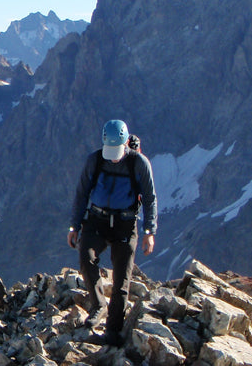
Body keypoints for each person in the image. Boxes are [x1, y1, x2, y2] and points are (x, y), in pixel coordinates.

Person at [67, 119, 158, 347]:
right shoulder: (95, 160)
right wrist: (74, 226)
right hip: (96, 220)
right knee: (86, 258)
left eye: (118, 151)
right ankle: (99, 306)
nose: (114, 156)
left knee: (121, 281)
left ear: (127, 142)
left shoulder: (139, 163)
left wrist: (149, 231)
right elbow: (81, 193)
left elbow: (149, 198)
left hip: (125, 224)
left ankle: (113, 332)